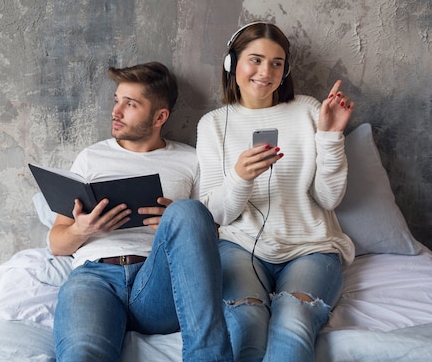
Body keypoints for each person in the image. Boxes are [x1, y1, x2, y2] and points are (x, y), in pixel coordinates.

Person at [49, 61, 233, 362]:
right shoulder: (91, 158)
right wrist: (84, 228)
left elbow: (212, 236)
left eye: (130, 104)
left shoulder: (191, 160)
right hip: (96, 278)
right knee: (82, 354)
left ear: (160, 116)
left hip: (158, 283)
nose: (116, 112)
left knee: (188, 211)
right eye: (116, 100)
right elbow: (56, 243)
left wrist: (177, 224)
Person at [196, 22, 356, 362]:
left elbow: (329, 199)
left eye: (276, 63)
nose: (265, 72)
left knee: (294, 320)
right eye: (255, 60)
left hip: (310, 248)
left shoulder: (309, 110)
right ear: (231, 65)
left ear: (285, 71)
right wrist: (240, 178)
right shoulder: (212, 124)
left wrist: (330, 137)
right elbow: (214, 214)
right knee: (246, 323)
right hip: (240, 247)